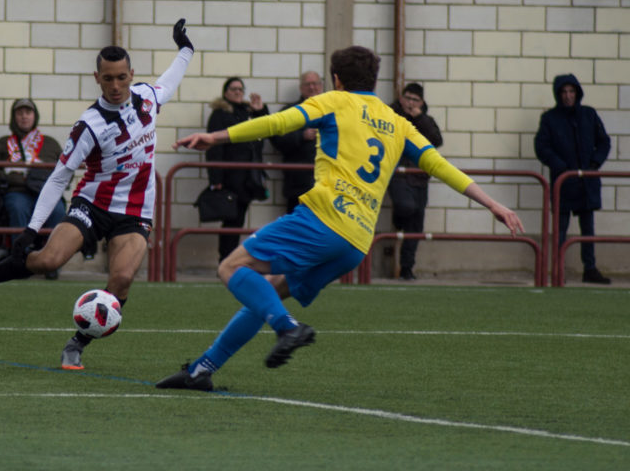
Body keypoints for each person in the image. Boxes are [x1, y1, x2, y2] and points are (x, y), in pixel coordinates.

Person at [156, 45, 524, 392]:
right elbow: (439, 166)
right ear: (375, 82)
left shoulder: (333, 102)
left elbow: (277, 123)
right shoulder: (397, 123)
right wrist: (493, 204)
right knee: (269, 290)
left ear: (336, 79)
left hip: (323, 219)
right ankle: (202, 370)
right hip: (356, 242)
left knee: (231, 268)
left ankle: (287, 329)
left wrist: (215, 137)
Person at [0, 19, 196, 371]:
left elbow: (170, 80)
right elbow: (58, 179)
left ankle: (76, 344)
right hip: (92, 205)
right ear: (96, 78)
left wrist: (186, 48)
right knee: (47, 261)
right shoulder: (89, 125)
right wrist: (30, 230)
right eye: (108, 78)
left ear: (131, 74)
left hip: (135, 213)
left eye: (121, 77)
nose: (116, 86)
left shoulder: (147, 99)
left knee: (121, 280)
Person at [534, 74, 611, 285]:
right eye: (564, 92)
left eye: (571, 92)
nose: (568, 96)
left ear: (577, 93)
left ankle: (590, 268)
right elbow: (542, 147)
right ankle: (558, 270)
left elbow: (604, 142)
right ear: (558, 95)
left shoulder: (588, 115)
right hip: (564, 182)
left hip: (587, 181)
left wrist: (594, 165)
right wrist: (561, 167)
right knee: (560, 228)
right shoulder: (550, 119)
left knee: (588, 230)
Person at [0, 98, 66, 279]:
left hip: (45, 192)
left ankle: (51, 259)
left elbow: (67, 170)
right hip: (17, 192)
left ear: (35, 116)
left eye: (28, 112)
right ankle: (21, 259)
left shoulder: (50, 143)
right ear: (14, 117)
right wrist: (9, 176)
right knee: (17, 206)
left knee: (58, 210)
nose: (24, 117)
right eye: (19, 113)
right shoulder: (3, 143)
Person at [205, 77, 269, 261]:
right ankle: (225, 260)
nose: (238, 92)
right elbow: (214, 148)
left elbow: (264, 131)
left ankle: (228, 260)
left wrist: (260, 111)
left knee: (237, 220)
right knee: (231, 221)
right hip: (230, 177)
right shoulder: (220, 114)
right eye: (233, 89)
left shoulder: (247, 112)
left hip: (248, 178)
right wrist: (215, 179)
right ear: (225, 92)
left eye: (241, 89)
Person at [387, 82, 443, 281]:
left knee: (416, 227)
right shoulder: (390, 115)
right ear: (401, 98)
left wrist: (419, 117)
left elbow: (436, 140)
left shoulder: (426, 119)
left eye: (415, 100)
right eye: (407, 98)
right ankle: (398, 220)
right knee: (404, 207)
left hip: (420, 177)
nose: (410, 103)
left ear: (421, 102)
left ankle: (407, 268)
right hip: (398, 174)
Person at [269, 70, 324, 213]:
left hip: (327, 184)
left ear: (321, 86)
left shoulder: (332, 111)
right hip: (298, 183)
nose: (312, 87)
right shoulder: (289, 111)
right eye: (307, 84)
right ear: (301, 88)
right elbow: (277, 140)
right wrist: (301, 136)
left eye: (315, 84)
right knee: (296, 228)